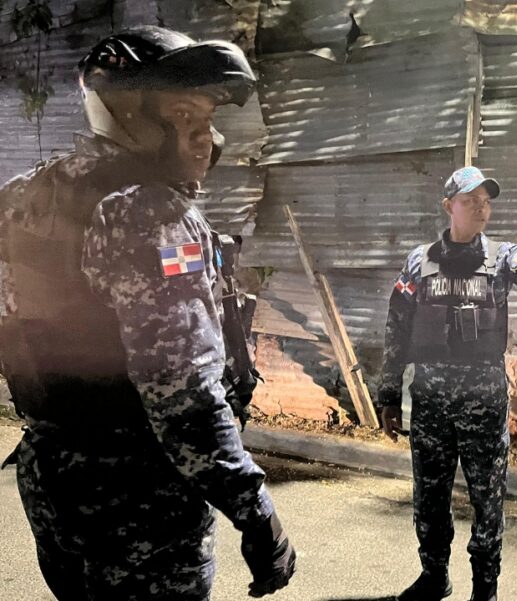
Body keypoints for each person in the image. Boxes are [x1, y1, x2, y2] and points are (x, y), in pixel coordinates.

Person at [0, 26, 295, 600]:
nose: (206, 138)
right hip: (141, 502)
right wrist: (255, 511)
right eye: (183, 116)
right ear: (126, 114)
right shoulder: (150, 215)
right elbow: (184, 396)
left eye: (207, 118)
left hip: (55, 484)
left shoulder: (25, 195)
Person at [377, 166, 517, 601]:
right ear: (449, 206)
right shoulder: (419, 261)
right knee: (429, 496)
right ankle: (434, 575)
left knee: (487, 500)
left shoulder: (503, 257)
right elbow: (397, 327)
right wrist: (388, 393)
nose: (481, 208)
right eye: (470, 201)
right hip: (430, 402)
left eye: (485, 201)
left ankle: (485, 588)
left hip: (483, 403)